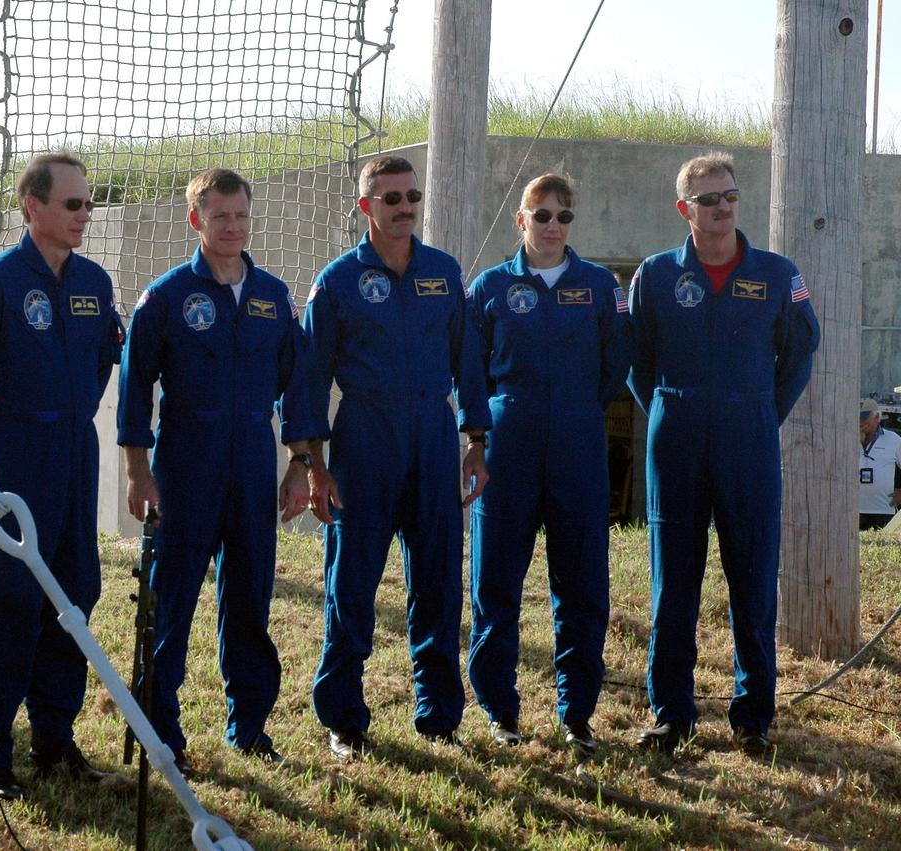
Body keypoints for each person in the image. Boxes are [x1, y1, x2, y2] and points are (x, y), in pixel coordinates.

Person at [117, 168, 317, 771]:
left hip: (253, 458)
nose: (232, 227)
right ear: (195, 220)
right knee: (171, 597)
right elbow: (135, 390)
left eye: (241, 215)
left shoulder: (273, 297)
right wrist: (136, 468)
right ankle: (160, 731)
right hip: (185, 458)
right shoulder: (168, 296)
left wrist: (299, 464)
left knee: (251, 596)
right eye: (219, 215)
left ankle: (249, 725)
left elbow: (299, 388)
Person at [0, 152, 125, 800]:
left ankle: (54, 736)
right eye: (72, 204)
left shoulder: (94, 282)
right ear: (33, 208)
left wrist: (71, 414)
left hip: (76, 446)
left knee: (75, 592)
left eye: (88, 205)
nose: (84, 215)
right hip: (17, 452)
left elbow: (108, 353)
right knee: (12, 600)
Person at [628, 152, 820, 755]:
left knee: (753, 580)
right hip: (676, 440)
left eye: (731, 196)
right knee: (673, 583)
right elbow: (636, 363)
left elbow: (799, 355)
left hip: (748, 443)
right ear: (685, 209)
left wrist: (760, 411)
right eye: (709, 200)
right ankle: (671, 714)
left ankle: (752, 717)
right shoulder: (655, 276)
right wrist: (668, 406)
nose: (723, 208)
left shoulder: (778, 273)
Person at [303, 155, 491, 760]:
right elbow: (308, 379)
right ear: (367, 208)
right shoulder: (337, 281)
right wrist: (313, 462)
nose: (405, 207)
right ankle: (344, 719)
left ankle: (437, 714)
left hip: (432, 435)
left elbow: (469, 363)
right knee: (351, 579)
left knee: (437, 579)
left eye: (411, 196)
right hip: (364, 436)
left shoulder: (443, 272)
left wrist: (475, 439)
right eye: (391, 199)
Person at [466, 174, 633, 755]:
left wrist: (575, 411)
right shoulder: (489, 288)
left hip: (578, 448)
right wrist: (488, 427)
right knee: (496, 585)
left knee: (583, 585)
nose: (553, 226)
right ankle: (499, 710)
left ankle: (576, 713)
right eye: (541, 215)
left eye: (564, 215)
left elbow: (617, 364)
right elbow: (471, 371)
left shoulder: (600, 287)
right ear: (521, 220)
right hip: (508, 447)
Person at [858, 398, 901, 530]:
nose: (859, 421)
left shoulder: (893, 439)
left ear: (877, 417)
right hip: (851, 510)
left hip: (883, 510)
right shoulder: (845, 438)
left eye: (864, 417)